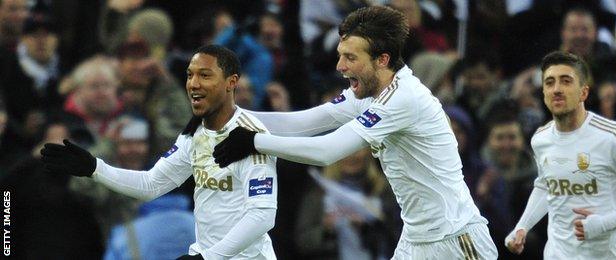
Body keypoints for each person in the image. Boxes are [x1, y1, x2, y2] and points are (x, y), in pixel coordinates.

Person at [214, 6, 497, 259]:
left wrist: (254, 141)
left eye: (350, 57)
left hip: (455, 240)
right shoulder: (366, 92)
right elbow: (310, 121)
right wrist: (230, 116)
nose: (340, 67)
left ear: (382, 60)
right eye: (340, 56)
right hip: (416, 240)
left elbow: (327, 152)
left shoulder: (404, 99)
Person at [40, 44, 279, 260]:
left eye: (205, 76)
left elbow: (262, 215)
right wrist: (96, 168)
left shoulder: (249, 137)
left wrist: (209, 257)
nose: (194, 84)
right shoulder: (196, 134)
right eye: (190, 75)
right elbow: (151, 185)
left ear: (231, 82)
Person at [505, 51, 616, 259]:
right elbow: (545, 185)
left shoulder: (612, 136)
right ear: (543, 93)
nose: (557, 89)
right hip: (558, 253)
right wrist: (522, 226)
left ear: (583, 93)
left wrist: (605, 223)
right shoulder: (541, 140)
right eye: (549, 83)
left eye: (566, 81)